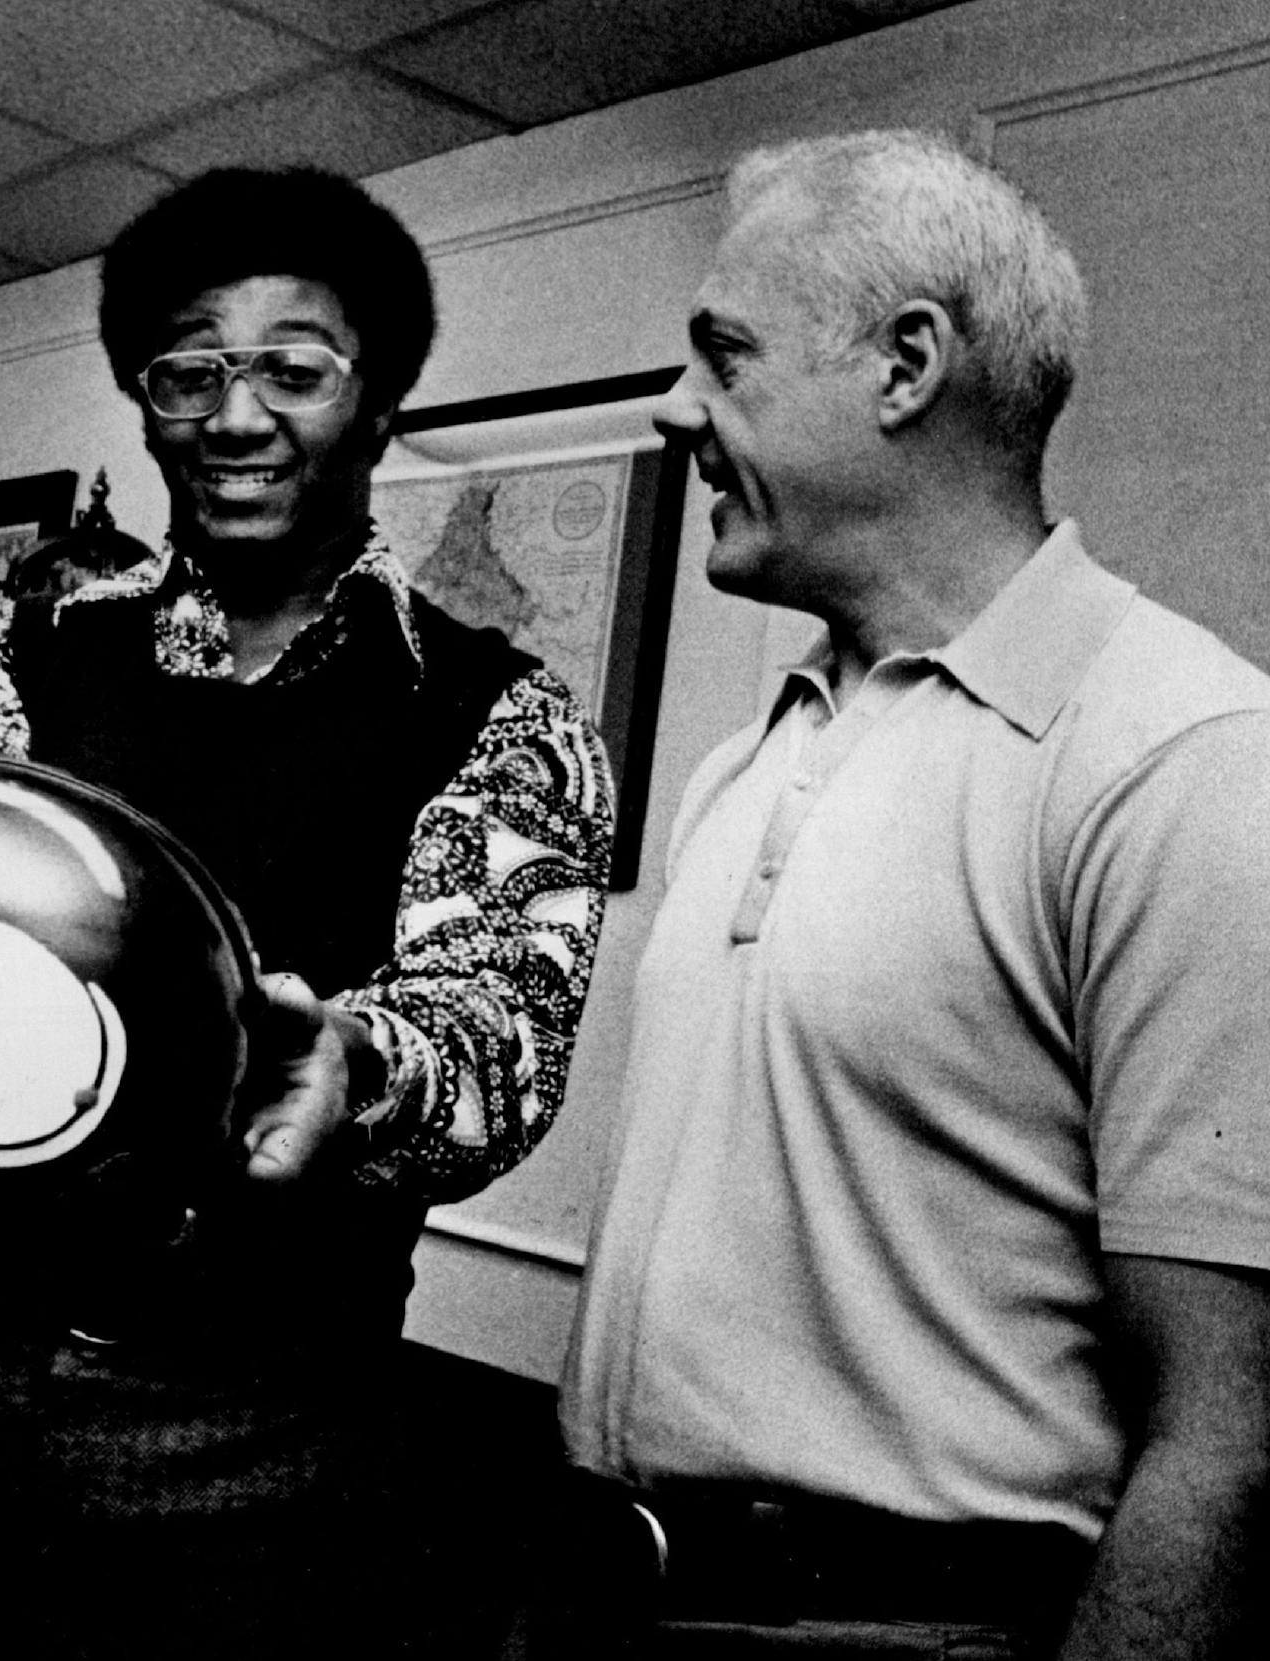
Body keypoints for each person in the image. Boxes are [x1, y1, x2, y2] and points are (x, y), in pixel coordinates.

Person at [0, 165, 615, 1655]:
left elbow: (499, 1038)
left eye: (294, 369)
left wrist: (359, 1061)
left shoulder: (499, 711)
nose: (235, 416)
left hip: (221, 1452)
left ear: (380, 402)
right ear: (144, 402)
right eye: (187, 372)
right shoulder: (3, 651)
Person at [556, 130, 1270, 1659]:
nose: (678, 410)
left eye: (725, 359)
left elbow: (1232, 1434)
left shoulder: (1175, 756)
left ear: (906, 367)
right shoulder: (741, 765)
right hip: (616, 1602)